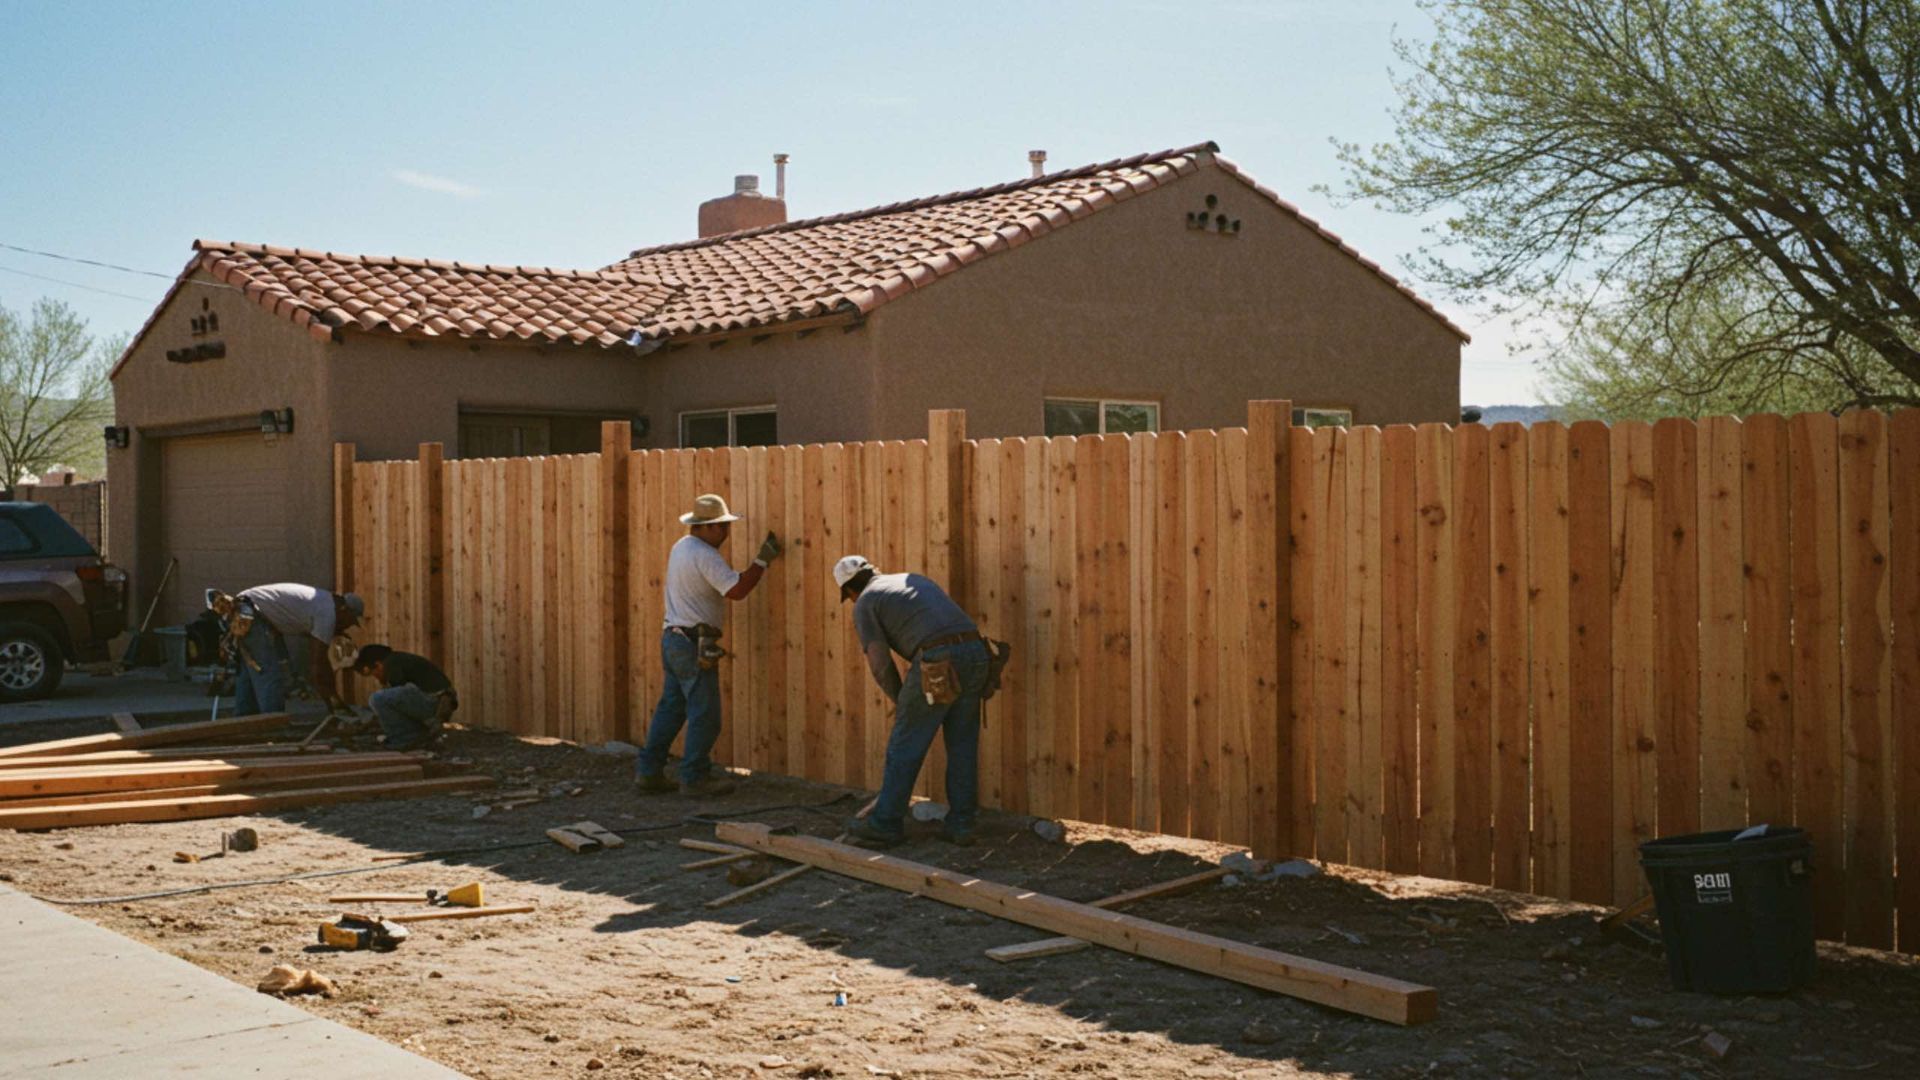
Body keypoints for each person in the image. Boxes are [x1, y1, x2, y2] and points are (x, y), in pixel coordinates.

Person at [835, 555, 989, 847]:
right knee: (962, 744)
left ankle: (886, 824)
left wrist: (901, 699)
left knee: (905, 745)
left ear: (850, 591)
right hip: (977, 652)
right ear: (873, 571)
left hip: (939, 660)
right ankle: (962, 824)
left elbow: (879, 664)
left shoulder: (866, 601)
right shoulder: (910, 579)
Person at [635, 493, 783, 797]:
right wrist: (762, 560)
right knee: (706, 713)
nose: (725, 533)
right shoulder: (704, 554)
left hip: (674, 638)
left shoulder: (681, 547)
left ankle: (649, 773)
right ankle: (694, 779)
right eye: (720, 527)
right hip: (691, 643)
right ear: (703, 527)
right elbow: (737, 590)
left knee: (672, 708)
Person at [229, 583, 363, 716]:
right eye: (349, 621)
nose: (347, 626)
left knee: (251, 672)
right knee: (270, 676)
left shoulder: (324, 601)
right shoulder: (328, 614)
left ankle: (243, 723)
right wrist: (333, 701)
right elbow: (318, 667)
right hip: (254, 615)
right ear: (344, 610)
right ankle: (272, 726)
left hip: (245, 609)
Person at [349, 643, 456, 751]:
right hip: (437, 700)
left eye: (374, 673)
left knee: (377, 699)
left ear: (378, 664)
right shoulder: (397, 659)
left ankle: (405, 739)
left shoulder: (392, 664)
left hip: (436, 702)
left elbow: (395, 699)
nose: (376, 677)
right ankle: (415, 734)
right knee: (385, 698)